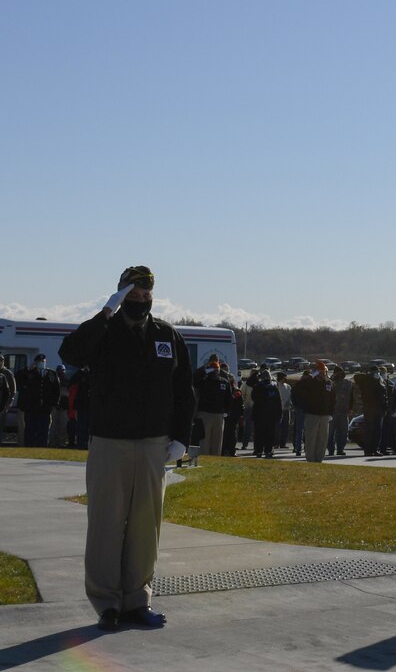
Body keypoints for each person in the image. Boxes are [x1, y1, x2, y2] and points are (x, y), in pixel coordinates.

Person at [58, 265, 195, 632]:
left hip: (154, 444)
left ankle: (138, 600)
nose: (139, 301)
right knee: (105, 523)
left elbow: (184, 391)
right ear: (120, 295)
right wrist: (105, 313)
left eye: (144, 295)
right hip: (110, 442)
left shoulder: (166, 334)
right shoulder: (104, 332)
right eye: (131, 295)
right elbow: (70, 353)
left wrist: (181, 436)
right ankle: (107, 604)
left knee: (145, 527)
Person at [192, 357, 233, 465]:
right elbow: (194, 379)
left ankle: (215, 462)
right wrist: (204, 369)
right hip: (205, 414)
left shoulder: (224, 382)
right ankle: (203, 461)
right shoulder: (203, 381)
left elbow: (229, 399)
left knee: (217, 441)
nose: (215, 371)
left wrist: (226, 411)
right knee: (205, 441)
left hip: (219, 415)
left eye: (217, 369)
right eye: (212, 369)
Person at [18, 355, 59, 447]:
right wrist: (27, 369)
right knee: (30, 430)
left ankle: (42, 448)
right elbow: (19, 379)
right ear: (35, 363)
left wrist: (54, 404)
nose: (41, 363)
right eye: (39, 361)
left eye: (43, 361)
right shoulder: (29, 373)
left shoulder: (51, 373)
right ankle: (29, 448)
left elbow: (56, 390)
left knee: (43, 431)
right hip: (31, 408)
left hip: (45, 408)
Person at [296, 361, 333, 462]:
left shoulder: (328, 382)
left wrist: (331, 412)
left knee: (323, 438)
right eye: (320, 372)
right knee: (311, 438)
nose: (322, 374)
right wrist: (311, 377)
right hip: (312, 413)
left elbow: (332, 398)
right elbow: (297, 389)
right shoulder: (310, 382)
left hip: (325, 414)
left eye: (323, 372)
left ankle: (319, 459)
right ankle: (310, 458)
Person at [248, 367, 279, 457]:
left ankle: (268, 450)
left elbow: (278, 402)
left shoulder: (273, 387)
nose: (267, 379)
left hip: (270, 415)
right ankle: (259, 450)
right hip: (260, 415)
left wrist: (278, 414)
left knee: (269, 434)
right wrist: (256, 374)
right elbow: (249, 383)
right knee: (260, 434)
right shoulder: (258, 386)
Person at [329, 366, 353, 458]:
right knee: (330, 433)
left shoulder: (348, 383)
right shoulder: (330, 383)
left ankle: (340, 449)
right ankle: (331, 449)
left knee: (343, 432)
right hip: (333, 411)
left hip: (344, 411)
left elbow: (352, 396)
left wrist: (350, 407)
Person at [50, 365, 73, 448]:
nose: (61, 372)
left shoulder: (68, 381)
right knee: (53, 426)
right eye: (59, 371)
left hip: (64, 407)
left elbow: (69, 395)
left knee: (63, 426)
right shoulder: (53, 381)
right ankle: (52, 442)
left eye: (62, 371)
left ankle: (61, 442)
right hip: (55, 407)